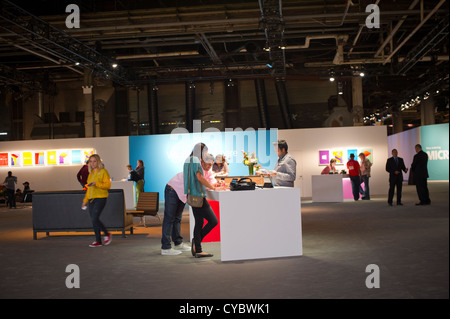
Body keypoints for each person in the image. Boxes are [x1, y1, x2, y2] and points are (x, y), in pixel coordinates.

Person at [184, 143, 218, 258]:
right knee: (213, 221)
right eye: (205, 152)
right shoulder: (196, 161)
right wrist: (212, 187)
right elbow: (199, 177)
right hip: (198, 196)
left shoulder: (187, 160)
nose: (205, 155)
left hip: (191, 196)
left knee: (199, 222)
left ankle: (198, 249)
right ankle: (196, 243)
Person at [81, 154, 112, 247]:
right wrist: (85, 201)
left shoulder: (103, 171)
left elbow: (107, 185)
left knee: (95, 218)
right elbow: (88, 190)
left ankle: (107, 234)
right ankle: (98, 241)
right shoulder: (90, 174)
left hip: (100, 198)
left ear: (98, 162)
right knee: (93, 220)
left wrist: (96, 183)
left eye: (94, 161)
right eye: (91, 161)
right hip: (91, 200)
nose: (92, 163)